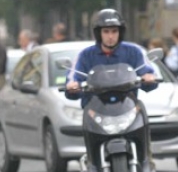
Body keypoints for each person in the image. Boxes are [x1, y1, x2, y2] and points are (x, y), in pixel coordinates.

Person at [65, 9, 157, 161]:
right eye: (106, 31)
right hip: (96, 108)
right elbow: (73, 77)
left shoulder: (133, 51)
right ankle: (92, 160)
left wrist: (148, 77)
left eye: (114, 31)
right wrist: (72, 85)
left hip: (127, 105)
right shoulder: (86, 55)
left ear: (120, 32)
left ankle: (146, 159)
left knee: (142, 120)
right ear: (98, 33)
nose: (110, 36)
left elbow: (146, 71)